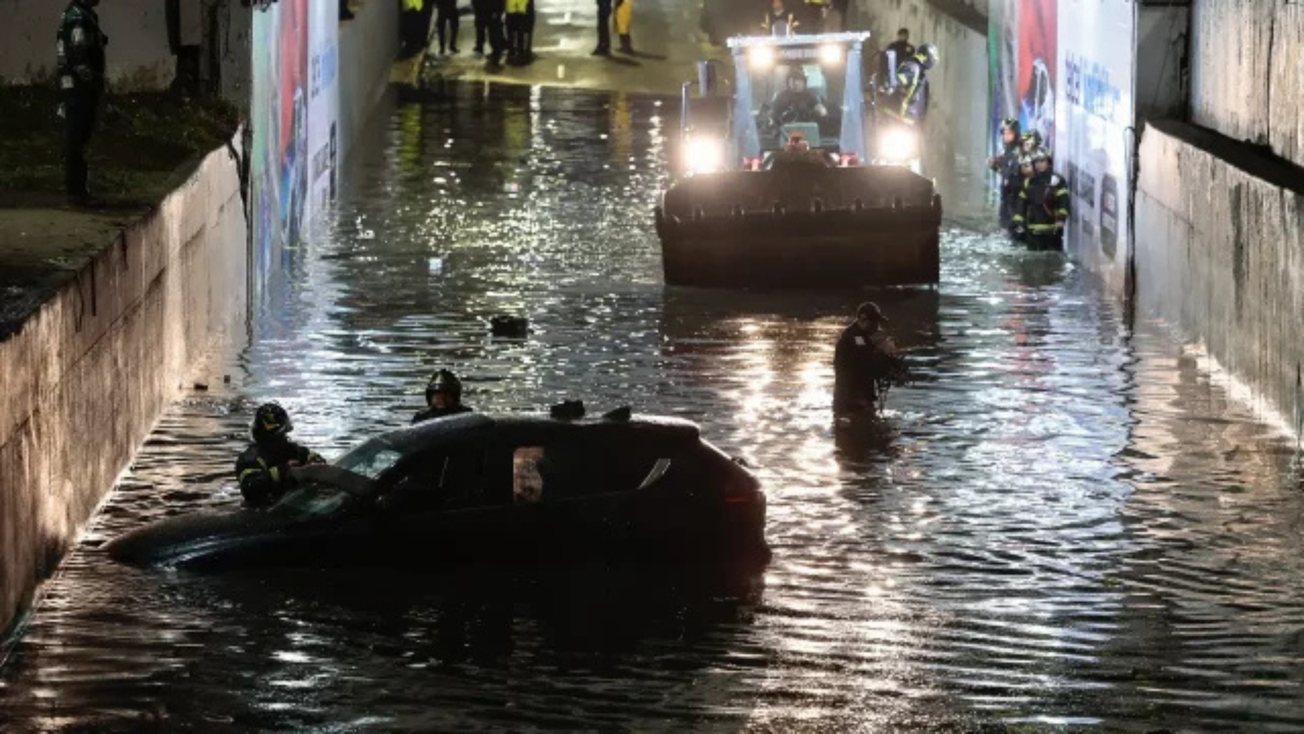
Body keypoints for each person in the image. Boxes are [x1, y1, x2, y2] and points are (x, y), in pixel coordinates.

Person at [57, 0, 109, 207]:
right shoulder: (79, 17)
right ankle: (77, 194)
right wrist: (92, 81)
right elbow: (78, 54)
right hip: (79, 88)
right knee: (77, 139)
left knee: (77, 139)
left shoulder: (76, 14)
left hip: (74, 86)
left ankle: (77, 192)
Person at [235, 403, 325, 508]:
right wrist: (284, 471)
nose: (285, 439)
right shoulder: (250, 458)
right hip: (264, 512)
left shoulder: (289, 449)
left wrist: (315, 463)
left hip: (292, 503)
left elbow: (309, 455)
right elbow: (250, 487)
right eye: (282, 435)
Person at [833, 302, 904, 417]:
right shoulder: (853, 337)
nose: (877, 327)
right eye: (874, 323)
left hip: (859, 400)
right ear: (863, 319)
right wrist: (883, 351)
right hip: (852, 402)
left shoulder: (863, 337)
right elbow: (866, 364)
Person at [1012, 148, 1070, 250]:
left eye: (1042, 161)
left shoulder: (1057, 180)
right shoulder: (1028, 182)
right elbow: (1021, 203)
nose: (1040, 164)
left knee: (1053, 261)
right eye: (1037, 162)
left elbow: (1064, 202)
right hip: (1032, 230)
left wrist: (1061, 220)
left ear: (1048, 162)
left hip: (1052, 230)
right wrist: (1018, 221)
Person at [886, 42, 937, 127]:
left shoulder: (920, 73)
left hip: (906, 121)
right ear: (928, 59)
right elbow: (896, 82)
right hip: (897, 120)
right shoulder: (912, 68)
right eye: (932, 61)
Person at [987, 118, 1022, 231]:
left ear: (1016, 134)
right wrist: (995, 165)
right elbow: (1005, 172)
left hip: (1015, 195)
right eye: (1004, 133)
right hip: (1006, 194)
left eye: (1009, 133)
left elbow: (1016, 173)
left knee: (1012, 224)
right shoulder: (1007, 150)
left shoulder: (1018, 152)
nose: (1006, 136)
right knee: (1004, 222)